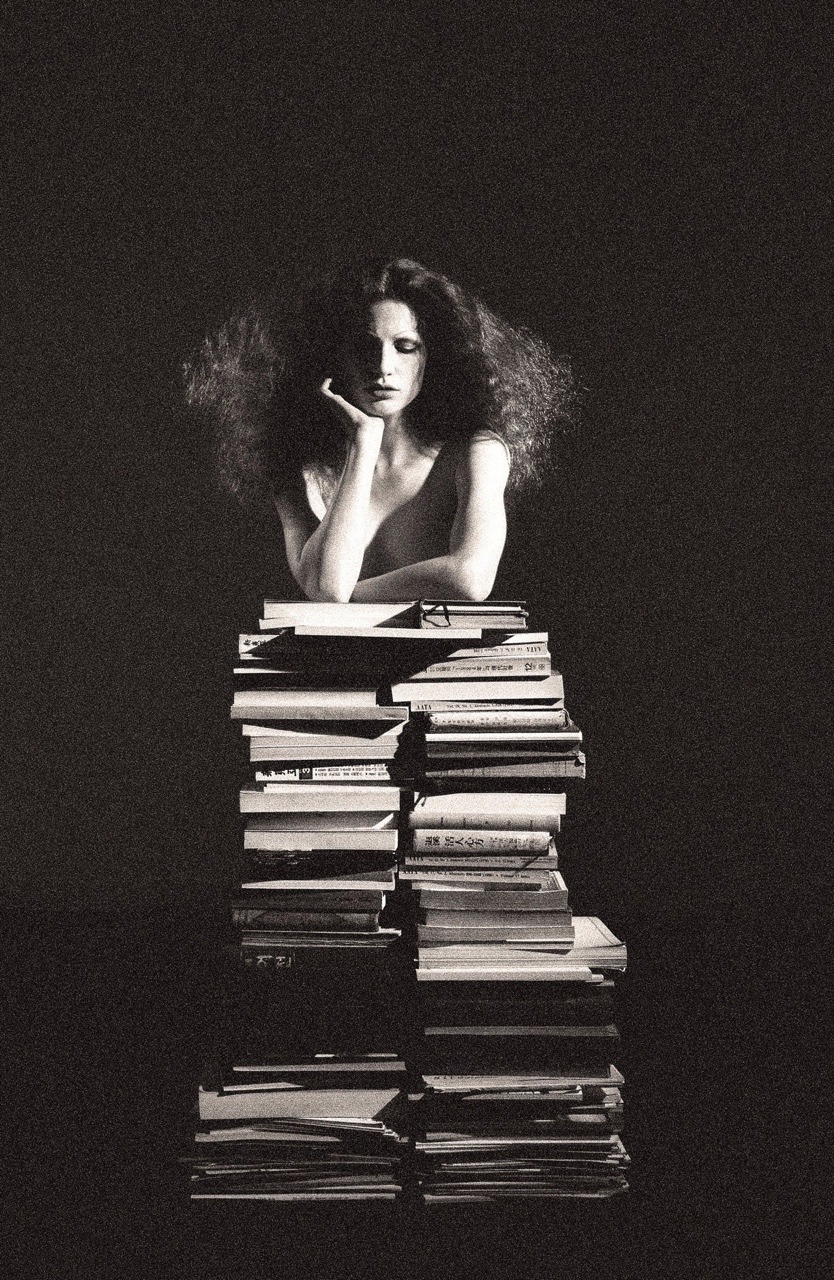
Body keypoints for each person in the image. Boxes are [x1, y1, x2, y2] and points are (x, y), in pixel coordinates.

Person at [185, 257, 574, 602]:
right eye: (363, 346)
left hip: (442, 663)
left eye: (405, 346)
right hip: (331, 661)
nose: (383, 366)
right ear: (332, 355)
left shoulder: (476, 453)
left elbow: (470, 579)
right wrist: (363, 444)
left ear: (434, 356)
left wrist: (351, 598)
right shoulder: (296, 470)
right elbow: (326, 587)